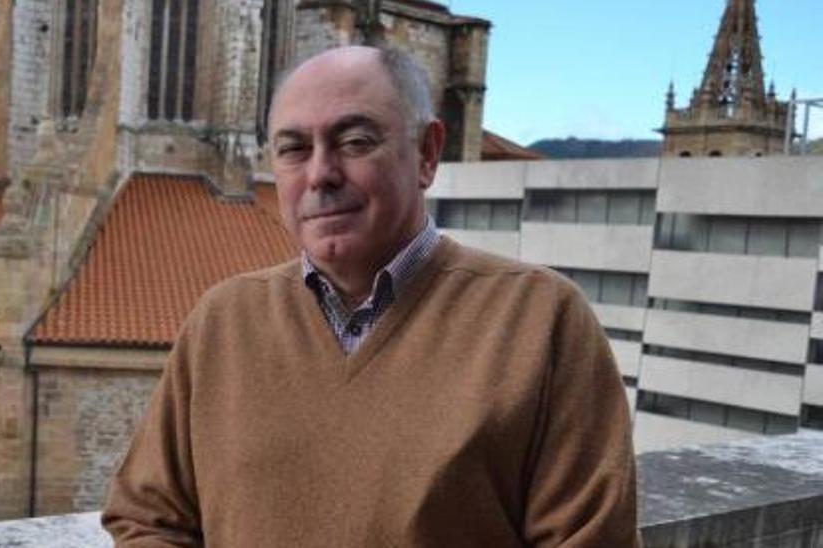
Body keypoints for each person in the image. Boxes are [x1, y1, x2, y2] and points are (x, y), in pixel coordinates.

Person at [102, 45, 638, 547]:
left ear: (427, 153)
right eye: (293, 149)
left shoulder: (541, 322)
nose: (320, 175)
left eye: (355, 142)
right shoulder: (223, 322)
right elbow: (148, 517)